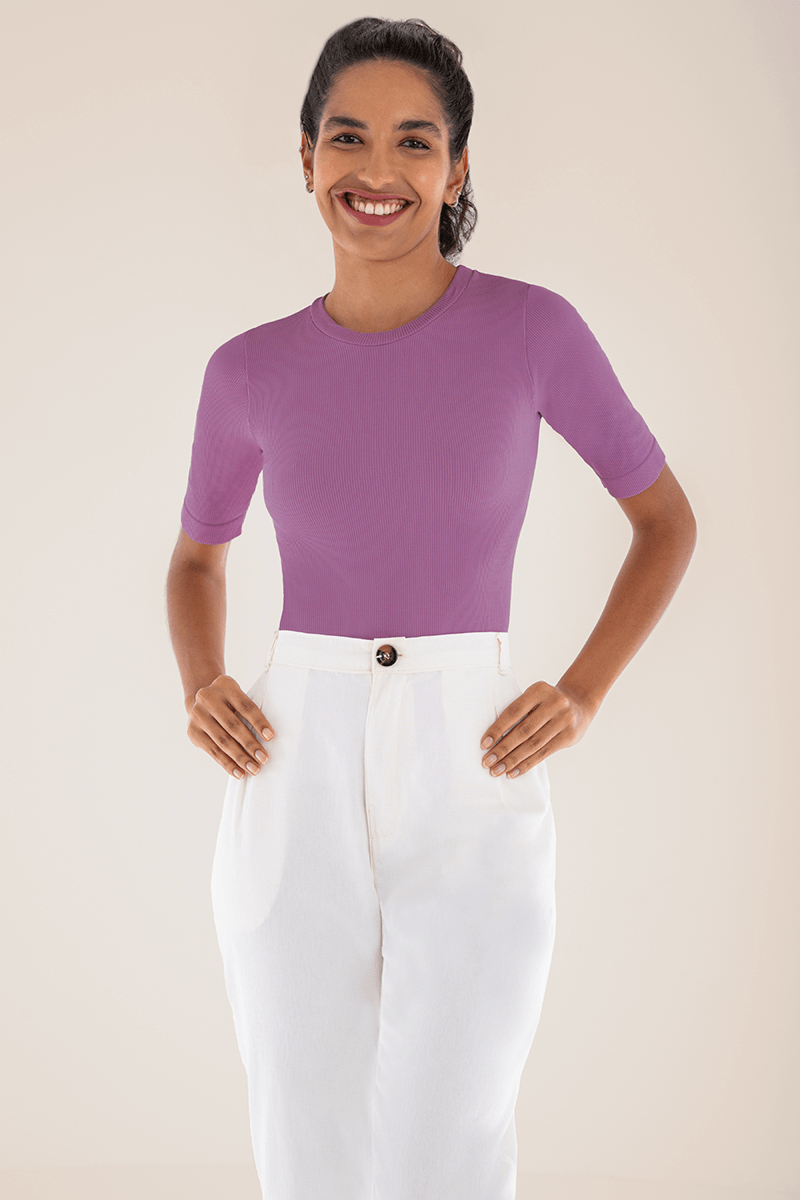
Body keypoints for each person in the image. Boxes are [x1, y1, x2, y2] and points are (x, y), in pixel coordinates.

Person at [166, 16, 696, 1200]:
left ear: (456, 170)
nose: (377, 169)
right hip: (293, 752)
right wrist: (202, 683)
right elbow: (196, 559)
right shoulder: (246, 370)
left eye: (414, 141)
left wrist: (580, 693)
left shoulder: (530, 330)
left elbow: (664, 520)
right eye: (346, 137)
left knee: (450, 1131)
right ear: (305, 158)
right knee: (303, 1122)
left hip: (472, 746)